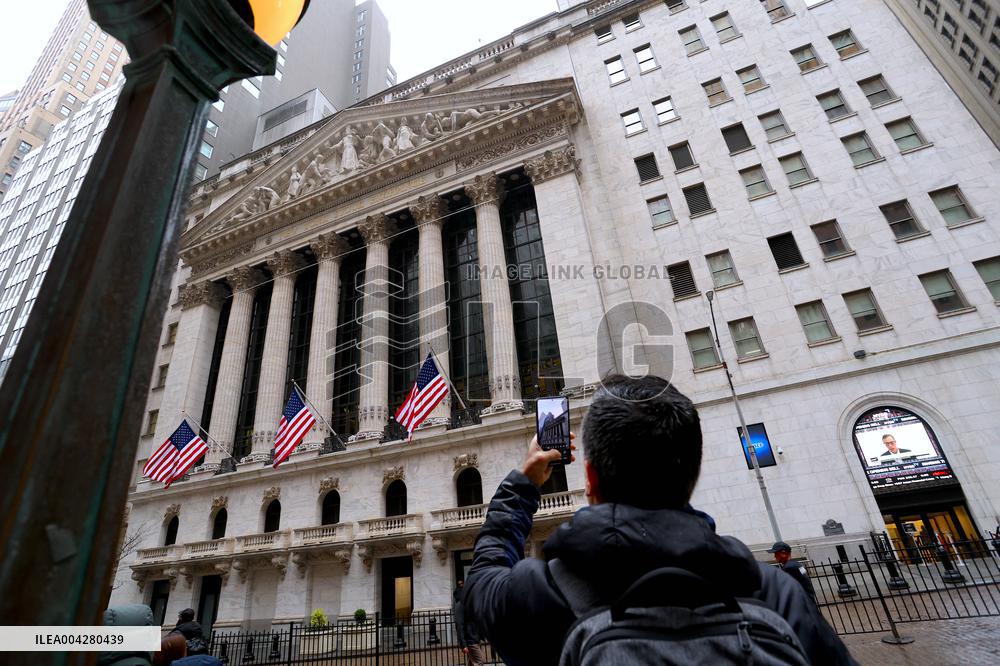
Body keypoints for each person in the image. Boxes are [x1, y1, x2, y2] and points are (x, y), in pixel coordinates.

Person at [464, 374, 857, 666]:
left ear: (590, 478)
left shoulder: (539, 593)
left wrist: (522, 486)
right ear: (693, 473)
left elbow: (480, 582)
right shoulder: (775, 593)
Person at [452, 579, 484, 666]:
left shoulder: (468, 603)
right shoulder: (460, 605)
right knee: (479, 661)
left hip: (475, 638)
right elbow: (459, 625)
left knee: (472, 663)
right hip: (470, 640)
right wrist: (463, 644)